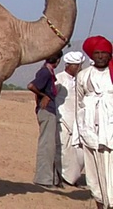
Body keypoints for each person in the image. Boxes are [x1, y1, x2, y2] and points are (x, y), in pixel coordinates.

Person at [75, 36, 113, 208]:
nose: (100, 56)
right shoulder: (83, 75)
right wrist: (79, 133)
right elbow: (78, 104)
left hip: (110, 131)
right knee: (94, 174)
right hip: (90, 132)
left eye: (104, 53)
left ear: (109, 55)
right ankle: (100, 203)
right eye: (97, 53)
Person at [27, 50, 63, 188]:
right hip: (46, 110)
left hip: (49, 111)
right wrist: (45, 96)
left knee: (50, 145)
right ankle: (43, 179)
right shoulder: (45, 72)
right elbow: (31, 86)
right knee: (46, 145)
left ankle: (51, 178)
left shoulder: (48, 72)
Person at [55, 51, 85, 186]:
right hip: (63, 120)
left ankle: (73, 177)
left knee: (80, 152)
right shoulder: (59, 79)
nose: (79, 68)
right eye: (76, 65)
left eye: (80, 65)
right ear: (69, 65)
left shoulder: (81, 79)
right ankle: (64, 178)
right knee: (64, 150)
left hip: (78, 121)